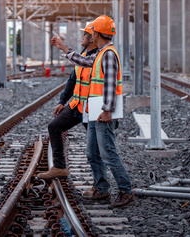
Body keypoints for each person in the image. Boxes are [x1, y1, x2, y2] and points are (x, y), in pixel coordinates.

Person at [50, 15, 135, 208]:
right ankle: (102, 189)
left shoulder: (109, 54)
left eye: (92, 31)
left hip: (102, 112)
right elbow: (82, 61)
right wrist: (63, 47)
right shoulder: (101, 54)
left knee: (109, 154)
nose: (91, 34)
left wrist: (107, 110)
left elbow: (111, 85)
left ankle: (125, 191)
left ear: (96, 33)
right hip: (95, 111)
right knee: (92, 153)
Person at [37, 23, 99, 180]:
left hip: (91, 109)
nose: (82, 37)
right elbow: (72, 81)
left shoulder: (97, 58)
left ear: (92, 37)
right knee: (54, 127)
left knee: (95, 149)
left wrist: (62, 46)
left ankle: (100, 183)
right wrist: (62, 101)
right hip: (77, 106)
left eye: (84, 35)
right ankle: (59, 167)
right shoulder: (83, 57)